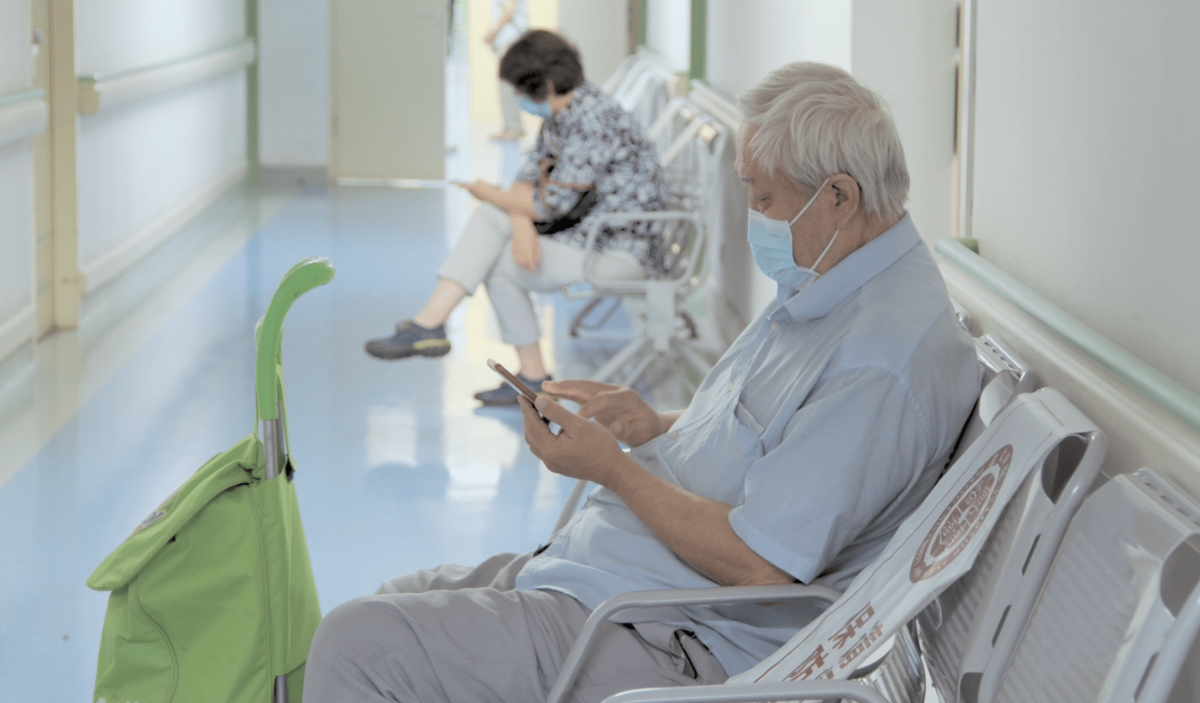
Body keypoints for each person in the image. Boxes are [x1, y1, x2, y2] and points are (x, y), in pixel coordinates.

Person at [310, 62, 981, 702]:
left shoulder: (881, 359)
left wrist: (614, 469)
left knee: (355, 644)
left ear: (838, 196)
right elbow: (783, 443)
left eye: (762, 195)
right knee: (389, 601)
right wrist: (654, 422)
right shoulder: (835, 276)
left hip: (672, 635)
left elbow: (762, 565)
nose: (753, 214)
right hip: (617, 572)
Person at [364, 29, 668, 406]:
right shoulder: (568, 111)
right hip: (587, 234)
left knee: (496, 251)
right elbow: (527, 177)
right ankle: (437, 327)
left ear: (548, 84)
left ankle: (445, 332)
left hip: (620, 251)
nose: (520, 100)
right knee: (497, 226)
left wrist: (491, 195)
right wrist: (520, 221)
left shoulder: (593, 120)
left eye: (523, 91)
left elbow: (547, 204)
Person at [484, 0, 529, 140]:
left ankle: (513, 127)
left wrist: (493, 33)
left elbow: (509, 9)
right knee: (509, 85)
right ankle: (511, 126)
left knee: (508, 85)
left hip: (510, 40)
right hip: (510, 40)